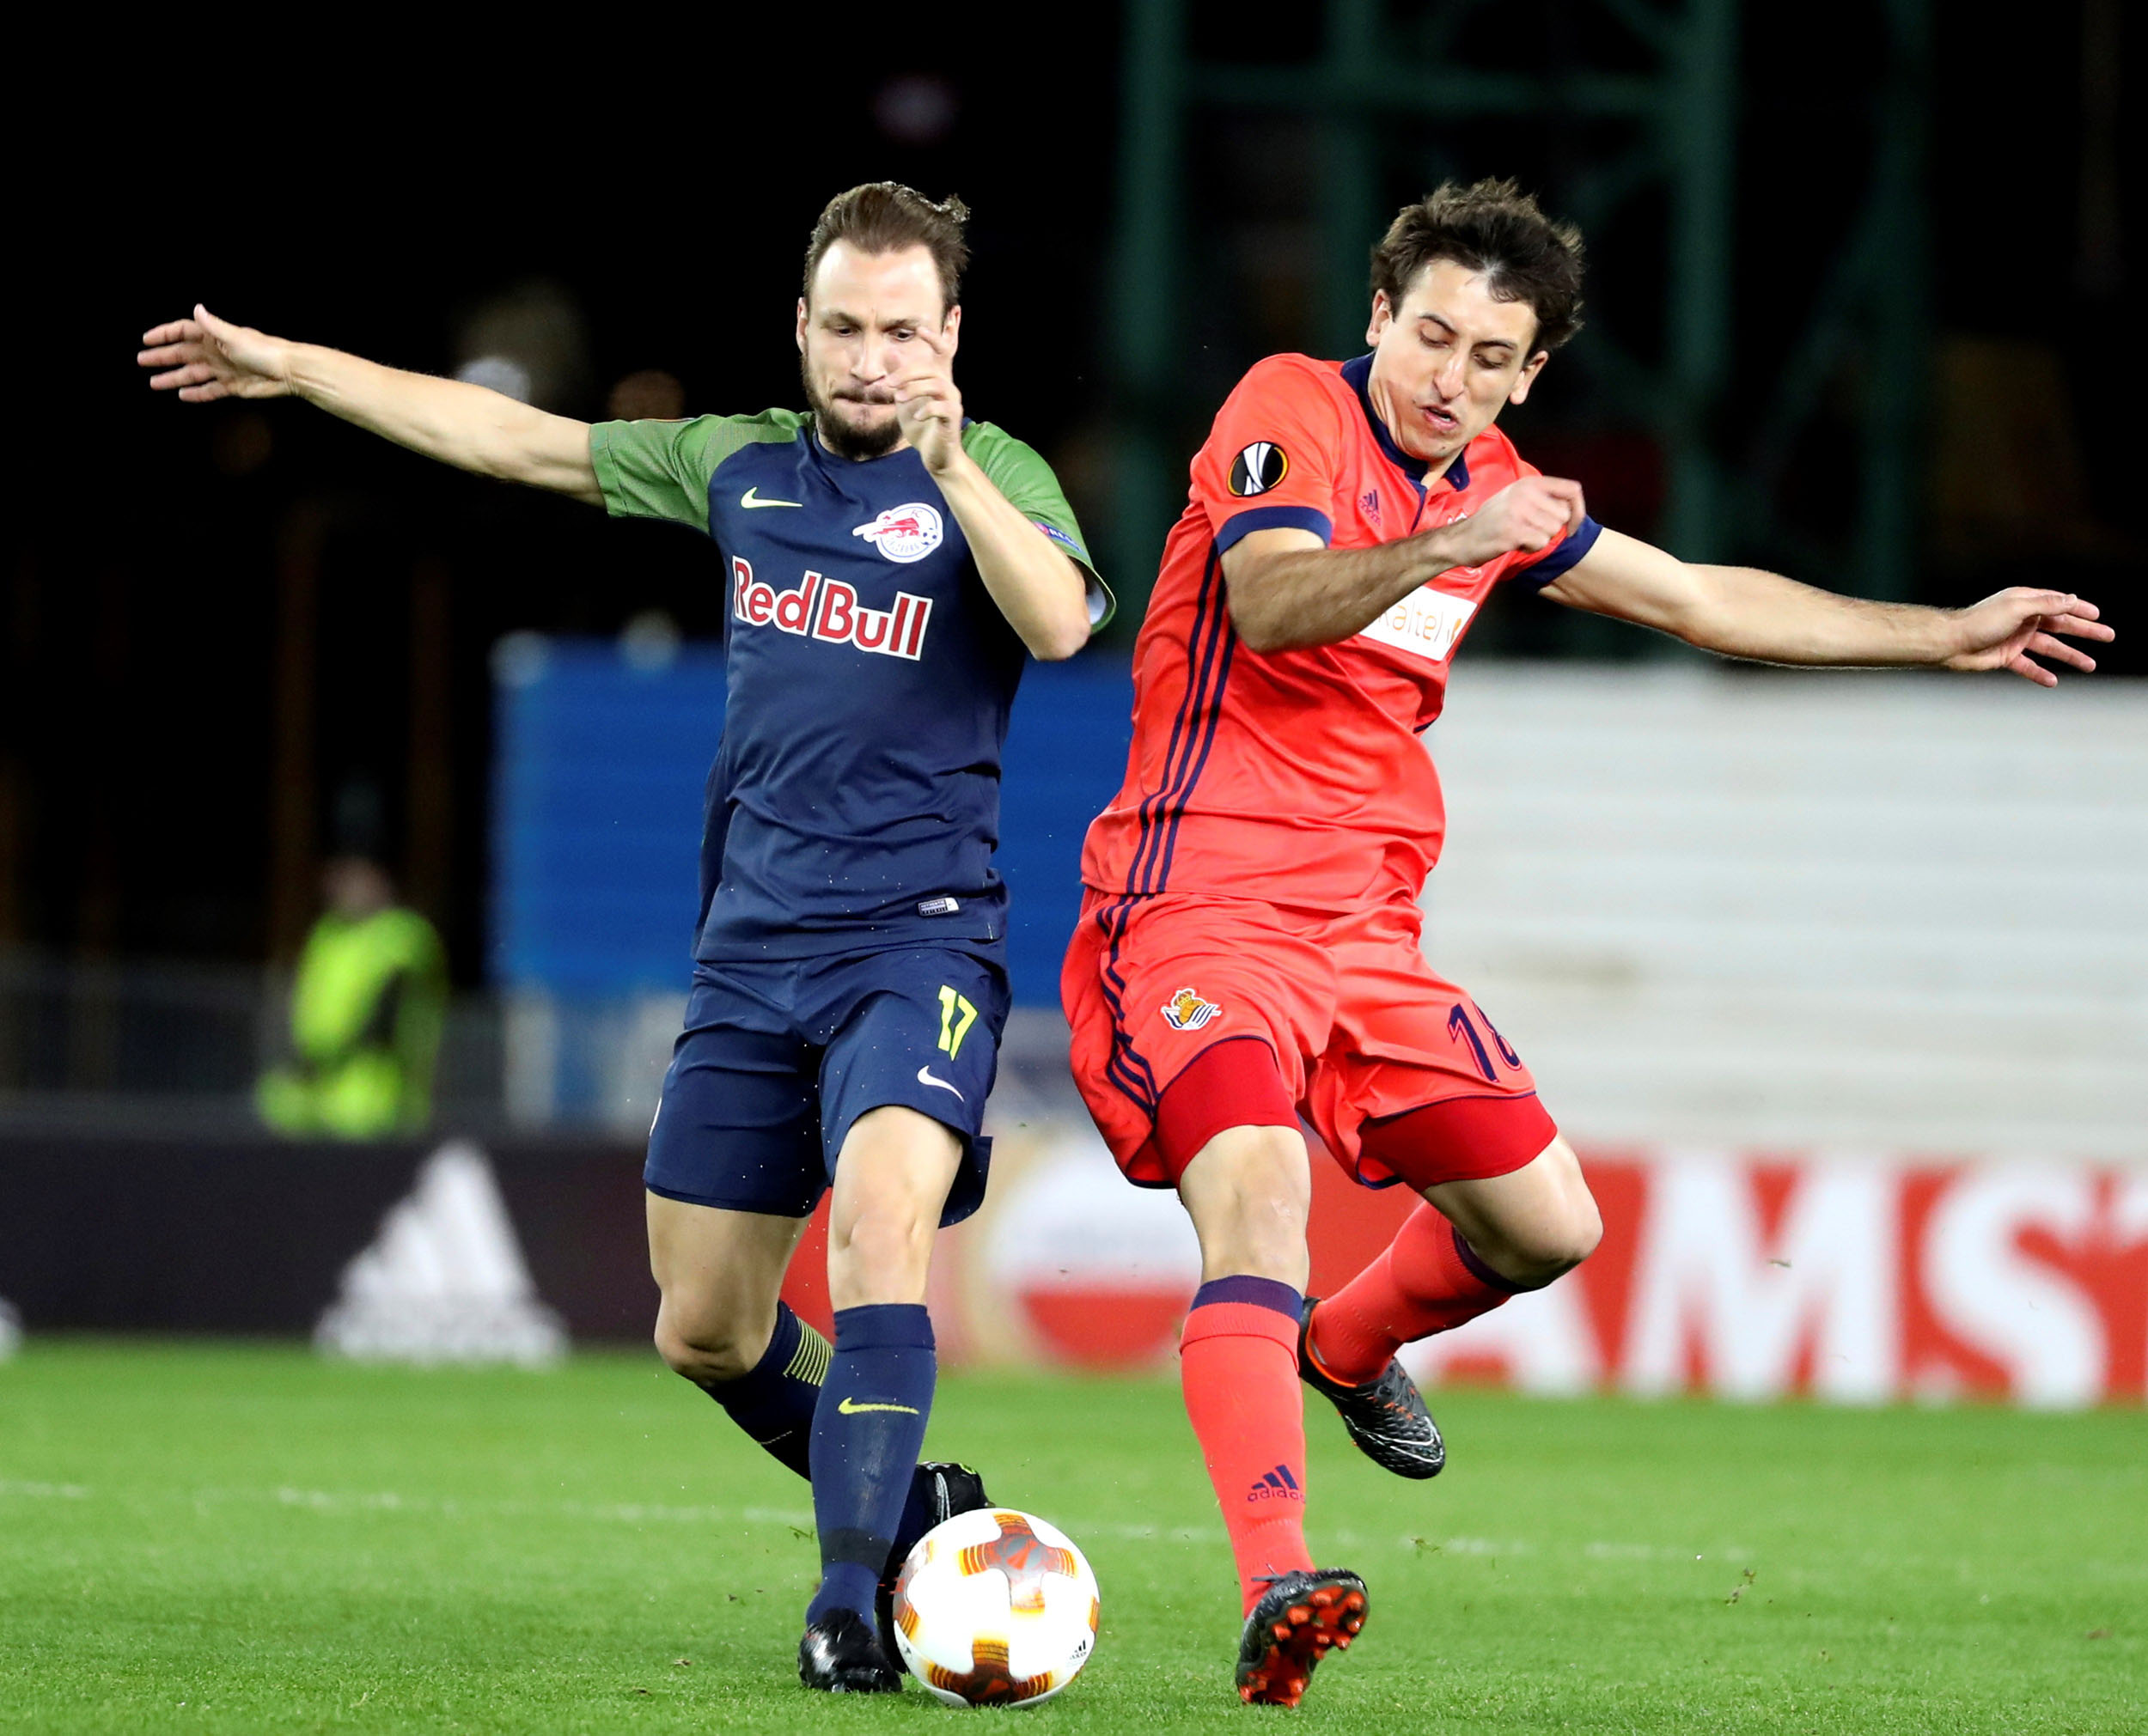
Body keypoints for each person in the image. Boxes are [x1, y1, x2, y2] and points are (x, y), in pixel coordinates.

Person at [1061, 177, 2113, 1709]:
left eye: (1493, 359)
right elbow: (1269, 598)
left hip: (1367, 935)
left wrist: (1939, 629)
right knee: (1262, 1199)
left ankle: (1342, 1353)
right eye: (1431, 338)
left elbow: (1697, 598)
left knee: (1548, 1228)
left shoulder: (1503, 487)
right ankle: (1279, 1576)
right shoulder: (1290, 405)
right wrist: (1447, 542)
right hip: (1201, 900)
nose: (1451, 377)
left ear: (1531, 372)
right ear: (1378, 318)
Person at [143, 182, 1109, 1694]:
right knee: (706, 1329)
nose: (871, 359)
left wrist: (956, 474)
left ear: (951, 336)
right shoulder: (735, 464)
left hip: (916, 946)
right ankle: (910, 1501)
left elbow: (1058, 624)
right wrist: (299, 367)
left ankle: (851, 1597)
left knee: (879, 1234)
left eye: (902, 332)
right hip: (749, 956)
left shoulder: (992, 467)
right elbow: (513, 440)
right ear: (802, 328)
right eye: (845, 329)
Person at [256, 853, 448, 1140]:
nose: (344, 888)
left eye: (356, 878)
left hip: (374, 1094)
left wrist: (339, 1055)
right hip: (316, 1090)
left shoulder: (403, 934)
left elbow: (388, 1012)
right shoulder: (327, 933)